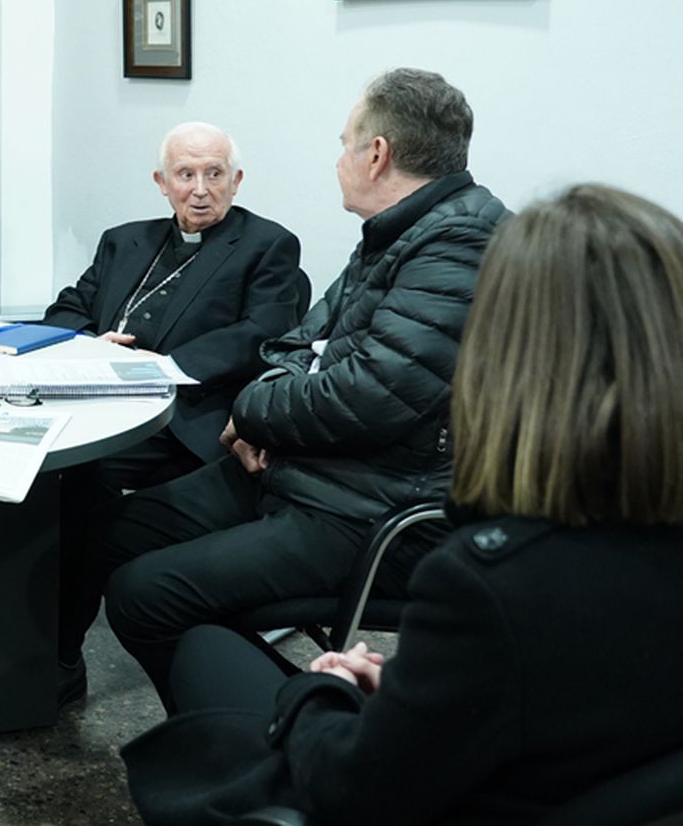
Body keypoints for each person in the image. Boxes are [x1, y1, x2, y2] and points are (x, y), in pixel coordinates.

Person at [118, 184, 683, 824]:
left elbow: (356, 787)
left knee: (200, 648)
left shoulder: (493, 585)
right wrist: (424, 697)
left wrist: (320, 691)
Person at [99, 68, 509, 706]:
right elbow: (292, 344)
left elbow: (368, 394)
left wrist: (254, 412)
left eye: (345, 143)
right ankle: (284, 710)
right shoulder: (401, 229)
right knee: (124, 533)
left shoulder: (458, 242)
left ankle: (302, 740)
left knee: (145, 595)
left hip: (373, 507)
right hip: (310, 468)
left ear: (376, 155)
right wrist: (271, 401)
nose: (339, 159)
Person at [44, 122, 307, 704]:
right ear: (161, 183)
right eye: (185, 175)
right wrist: (89, 346)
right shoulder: (124, 241)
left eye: (214, 174)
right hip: (102, 403)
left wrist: (161, 367)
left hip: (189, 420)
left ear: (236, 181)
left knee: (85, 483)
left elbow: (265, 331)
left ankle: (59, 657)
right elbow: (67, 308)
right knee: (34, 477)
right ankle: (24, 639)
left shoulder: (267, 245)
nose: (200, 189)